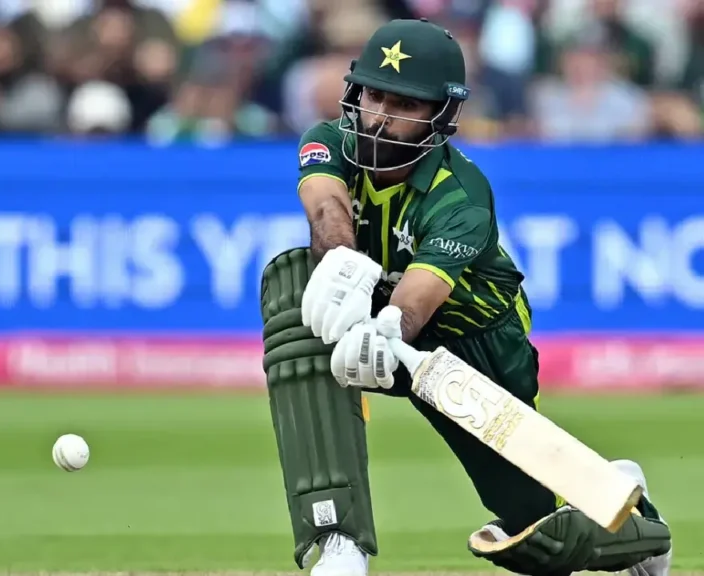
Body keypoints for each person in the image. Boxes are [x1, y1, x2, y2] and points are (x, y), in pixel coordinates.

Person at [258, 18, 673, 576]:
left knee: (535, 532)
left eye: (403, 104)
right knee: (295, 297)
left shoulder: (463, 197)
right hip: (374, 302)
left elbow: (417, 302)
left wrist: (385, 329)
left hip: (474, 345)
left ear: (442, 116)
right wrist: (341, 266)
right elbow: (326, 207)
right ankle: (338, 542)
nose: (380, 117)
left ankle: (633, 514)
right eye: (374, 94)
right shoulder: (328, 139)